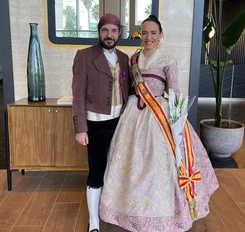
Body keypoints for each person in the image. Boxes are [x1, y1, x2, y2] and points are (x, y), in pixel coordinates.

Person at [99, 15, 219, 231]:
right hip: (133, 116)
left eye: (153, 33)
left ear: (161, 35)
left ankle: (166, 213)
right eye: (144, 33)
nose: (148, 37)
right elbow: (127, 88)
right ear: (139, 35)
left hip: (160, 115)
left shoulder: (168, 59)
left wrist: (177, 121)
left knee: (162, 164)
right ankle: (129, 210)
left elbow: (174, 92)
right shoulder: (133, 59)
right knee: (129, 163)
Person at [72, 13, 131, 232]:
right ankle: (94, 222)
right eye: (105, 30)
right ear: (99, 31)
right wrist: (81, 128)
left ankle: (112, 211)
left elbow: (130, 89)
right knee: (97, 171)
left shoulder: (124, 58)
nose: (109, 35)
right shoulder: (84, 56)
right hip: (95, 124)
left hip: (120, 123)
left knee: (116, 170)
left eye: (114, 31)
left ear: (119, 33)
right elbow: (77, 94)